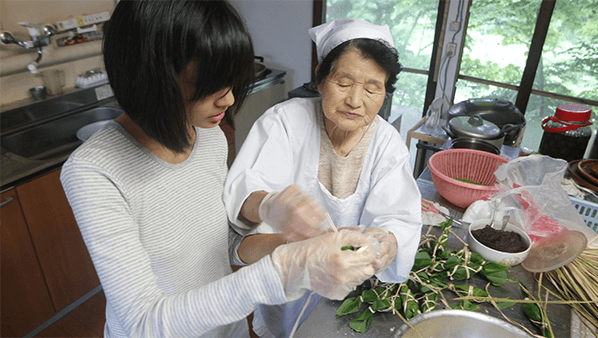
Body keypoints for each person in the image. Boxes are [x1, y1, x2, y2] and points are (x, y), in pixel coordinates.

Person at [60, 2, 379, 337]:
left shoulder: (209, 136)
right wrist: (283, 270)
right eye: (209, 84)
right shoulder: (93, 172)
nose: (228, 100)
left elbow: (224, 244)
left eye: (232, 81)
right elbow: (143, 322)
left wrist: (293, 245)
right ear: (151, 76)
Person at [224, 18, 423, 337]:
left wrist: (389, 241)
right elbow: (243, 198)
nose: (355, 101)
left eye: (372, 88)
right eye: (344, 83)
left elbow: (399, 217)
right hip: (286, 275)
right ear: (320, 78)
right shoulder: (286, 121)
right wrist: (271, 206)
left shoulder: (387, 143)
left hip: (353, 289)